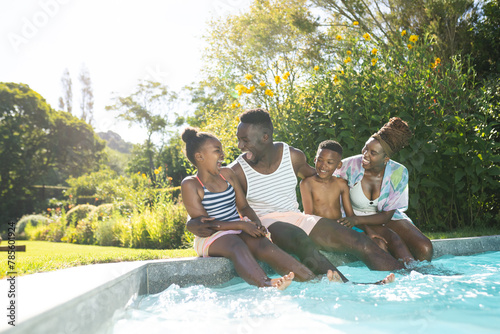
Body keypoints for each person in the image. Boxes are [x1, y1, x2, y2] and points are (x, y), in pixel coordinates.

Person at [188, 108, 405, 274]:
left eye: (245, 140)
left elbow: (320, 177)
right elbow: (222, 198)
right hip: (268, 222)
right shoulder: (237, 170)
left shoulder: (292, 156)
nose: (240, 145)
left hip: (298, 218)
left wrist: (357, 220)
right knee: (300, 240)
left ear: (265, 137)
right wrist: (195, 222)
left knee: (357, 241)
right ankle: (345, 288)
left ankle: (408, 279)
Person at [180, 127, 344, 290]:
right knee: (235, 245)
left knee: (264, 244)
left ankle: (312, 279)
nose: (222, 155)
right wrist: (241, 225)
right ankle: (266, 283)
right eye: (217, 151)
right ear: (199, 156)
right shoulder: (191, 184)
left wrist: (258, 224)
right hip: (213, 236)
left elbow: (244, 206)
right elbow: (206, 226)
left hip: (238, 227)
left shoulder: (227, 174)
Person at [335, 117, 433, 262]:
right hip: (352, 219)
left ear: (386, 158)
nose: (365, 155)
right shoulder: (347, 166)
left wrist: (357, 220)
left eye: (373, 153)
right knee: (381, 248)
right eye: (365, 148)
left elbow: (387, 216)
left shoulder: (399, 173)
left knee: (425, 248)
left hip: (385, 218)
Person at [301, 140, 412, 263]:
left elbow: (351, 216)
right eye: (320, 160)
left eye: (330, 162)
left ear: (338, 166)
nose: (323, 166)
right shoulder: (307, 184)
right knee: (365, 245)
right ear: (315, 159)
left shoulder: (341, 184)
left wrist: (368, 231)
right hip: (323, 228)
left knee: (379, 243)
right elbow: (309, 216)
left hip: (342, 226)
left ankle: (392, 274)